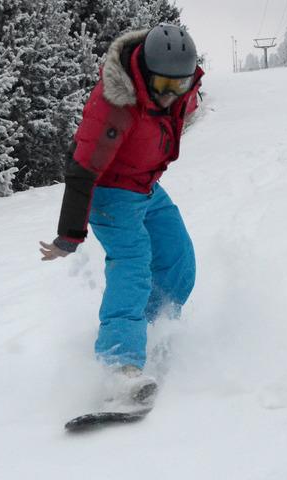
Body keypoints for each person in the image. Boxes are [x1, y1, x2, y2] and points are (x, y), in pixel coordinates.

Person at [39, 24, 203, 393]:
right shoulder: (115, 105)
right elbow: (82, 169)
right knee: (133, 267)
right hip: (108, 193)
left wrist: (182, 95)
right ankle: (118, 364)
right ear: (145, 72)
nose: (170, 96)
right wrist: (69, 235)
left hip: (145, 186)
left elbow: (184, 102)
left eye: (180, 86)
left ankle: (151, 326)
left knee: (179, 258)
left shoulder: (179, 92)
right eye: (163, 87)